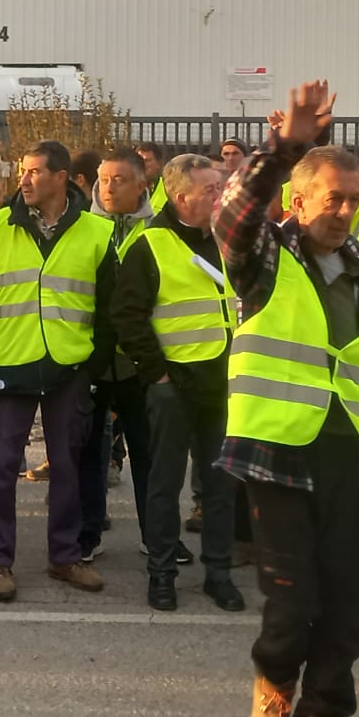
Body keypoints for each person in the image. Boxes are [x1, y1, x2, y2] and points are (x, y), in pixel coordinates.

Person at [218, 88, 359, 717]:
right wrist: (283, 149)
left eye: (354, 198)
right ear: (297, 201)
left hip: (351, 457)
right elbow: (234, 214)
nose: (344, 209)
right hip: (278, 452)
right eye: (330, 197)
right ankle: (273, 689)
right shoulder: (263, 259)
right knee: (293, 605)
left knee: (352, 610)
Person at [0, 140, 114, 602]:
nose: (24, 179)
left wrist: (93, 366)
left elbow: (109, 312)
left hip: (69, 367)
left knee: (68, 466)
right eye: (22, 171)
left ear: (61, 177)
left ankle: (65, 556)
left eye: (33, 172)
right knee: (2, 467)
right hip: (10, 367)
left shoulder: (97, 232)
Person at [115, 153, 243, 613]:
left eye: (220, 187)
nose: (220, 196)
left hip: (222, 381)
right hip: (174, 385)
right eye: (211, 189)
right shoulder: (149, 245)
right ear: (180, 195)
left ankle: (219, 574)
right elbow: (127, 317)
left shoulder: (226, 240)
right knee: (165, 485)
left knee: (221, 485)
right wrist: (159, 373)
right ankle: (163, 574)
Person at [86, 148, 157, 556]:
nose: (109, 188)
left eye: (120, 180)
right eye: (104, 179)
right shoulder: (82, 228)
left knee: (149, 453)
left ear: (141, 185)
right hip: (93, 360)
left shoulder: (158, 231)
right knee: (91, 453)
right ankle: (88, 535)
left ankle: (157, 537)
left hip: (141, 363)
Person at [135, 142, 168, 211]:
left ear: (159, 163)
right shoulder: (126, 187)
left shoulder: (168, 188)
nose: (142, 164)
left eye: (147, 161)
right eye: (139, 160)